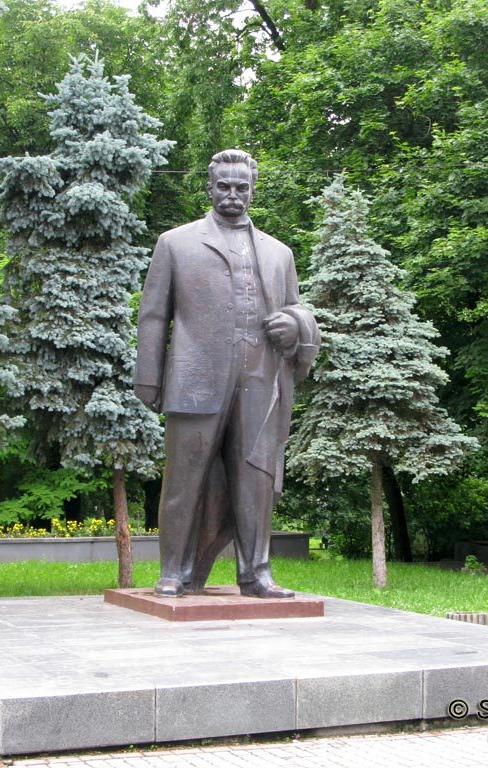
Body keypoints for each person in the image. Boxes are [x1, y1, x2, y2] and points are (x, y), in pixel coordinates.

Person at [134, 149, 320, 599]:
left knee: (254, 479)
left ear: (253, 191)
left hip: (261, 379)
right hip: (195, 378)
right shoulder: (175, 243)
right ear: (210, 187)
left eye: (242, 188)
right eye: (224, 186)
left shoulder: (279, 252)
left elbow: (297, 307)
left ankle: (255, 573)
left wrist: (296, 326)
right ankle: (173, 571)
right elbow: (154, 315)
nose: (233, 195)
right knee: (183, 480)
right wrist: (149, 376)